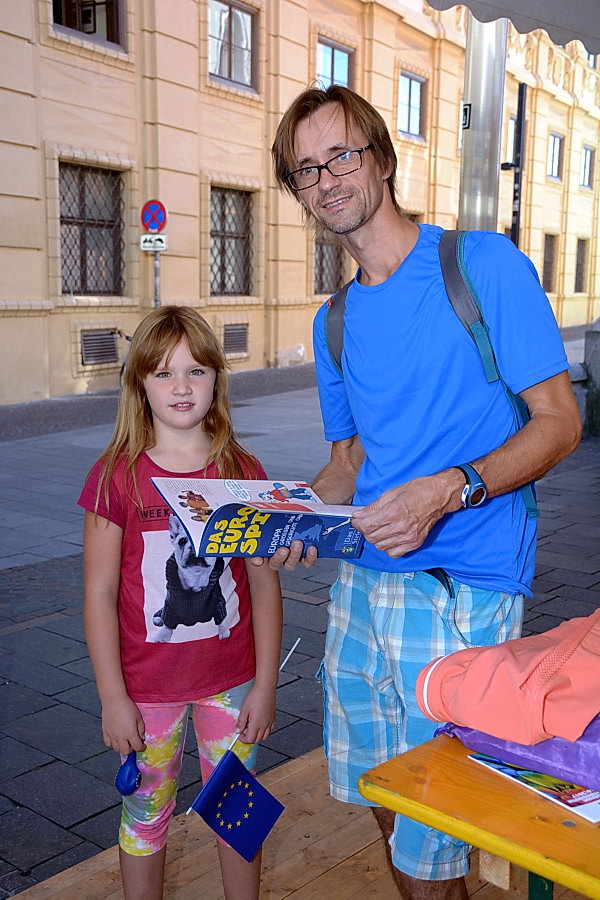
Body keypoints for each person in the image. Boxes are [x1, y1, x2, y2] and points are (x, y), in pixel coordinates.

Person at [266, 85, 582, 899]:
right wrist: (287, 516)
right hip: (363, 582)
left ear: (381, 157)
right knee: (383, 792)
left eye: (341, 155)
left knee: (438, 825)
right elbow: (348, 461)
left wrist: (451, 488)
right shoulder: (334, 321)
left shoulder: (480, 266)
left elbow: (559, 422)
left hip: (460, 584)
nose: (327, 179)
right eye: (307, 170)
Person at [78, 306, 282, 900]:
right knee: (145, 814)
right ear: (139, 384)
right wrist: (112, 697)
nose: (182, 386)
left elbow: (263, 585)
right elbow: (99, 593)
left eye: (196, 370)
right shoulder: (116, 477)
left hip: (233, 683)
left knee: (237, 815)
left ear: (217, 377)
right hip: (146, 692)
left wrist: (266, 684)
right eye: (163, 373)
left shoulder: (242, 472)